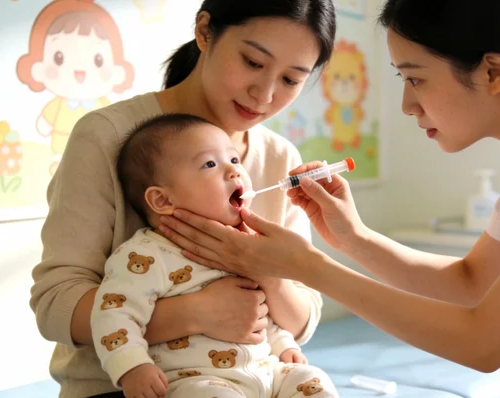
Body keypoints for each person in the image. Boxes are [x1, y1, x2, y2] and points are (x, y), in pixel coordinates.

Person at [155, 0, 500, 397]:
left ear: (494, 72)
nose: (407, 104)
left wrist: (310, 266)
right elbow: (472, 282)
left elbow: (484, 342)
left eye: (415, 79)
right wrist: (353, 238)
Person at [28, 1, 337, 397]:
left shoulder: (280, 159)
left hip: (257, 380)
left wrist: (270, 273)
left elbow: (301, 320)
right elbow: (56, 305)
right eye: (252, 62)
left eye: (291, 80)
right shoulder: (107, 136)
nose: (265, 94)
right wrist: (196, 313)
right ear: (205, 31)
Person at [91, 113, 336, 398]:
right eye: (210, 164)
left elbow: (259, 310)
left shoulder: (248, 245)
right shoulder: (147, 255)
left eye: (234, 160)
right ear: (163, 200)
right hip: (198, 381)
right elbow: (113, 314)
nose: (234, 172)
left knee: (311, 380)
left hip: (266, 373)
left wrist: (284, 346)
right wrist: (132, 367)